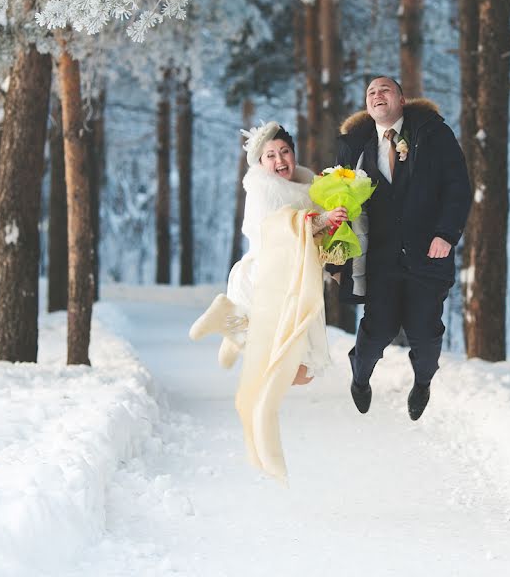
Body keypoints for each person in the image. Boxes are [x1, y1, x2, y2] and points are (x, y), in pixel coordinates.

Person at [334, 76, 471, 420]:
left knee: (425, 336)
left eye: (385, 89)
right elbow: (338, 200)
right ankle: (360, 376)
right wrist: (335, 258)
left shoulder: (434, 134)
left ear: (402, 98)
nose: (377, 95)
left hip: (427, 254)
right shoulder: (354, 145)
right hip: (379, 260)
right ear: (367, 105)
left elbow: (457, 186)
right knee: (376, 331)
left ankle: (423, 382)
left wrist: (446, 234)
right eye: (371, 92)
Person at [189, 121, 347, 385]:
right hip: (270, 278)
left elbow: (314, 234)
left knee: (304, 373)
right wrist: (322, 220)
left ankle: (232, 329)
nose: (280, 160)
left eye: (285, 151)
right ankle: (232, 327)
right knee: (291, 368)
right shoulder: (264, 191)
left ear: (294, 152)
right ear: (261, 163)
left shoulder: (310, 185)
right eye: (270, 155)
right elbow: (279, 230)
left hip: (297, 281)